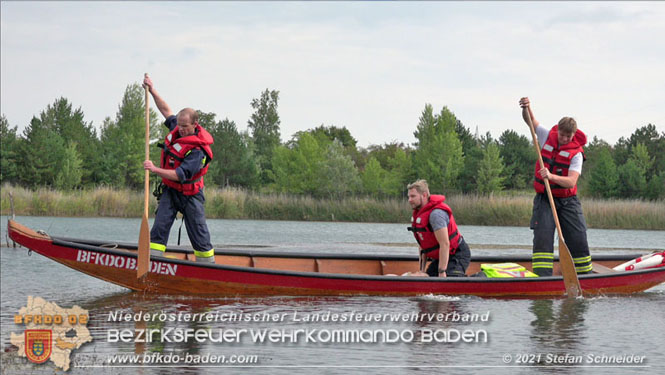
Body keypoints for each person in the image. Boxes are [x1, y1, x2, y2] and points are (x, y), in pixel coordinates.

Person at [142, 75, 215, 263]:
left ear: (194, 124)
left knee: (199, 235)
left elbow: (178, 175)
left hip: (191, 195)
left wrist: (154, 169)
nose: (180, 129)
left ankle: (207, 267)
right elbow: (165, 109)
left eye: (184, 126)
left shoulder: (198, 151)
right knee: (159, 228)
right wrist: (152, 89)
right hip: (171, 192)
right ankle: (152, 264)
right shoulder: (177, 126)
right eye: (179, 125)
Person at [519, 97, 592, 276]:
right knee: (543, 238)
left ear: (574, 135)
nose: (564, 139)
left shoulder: (576, 154)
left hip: (568, 201)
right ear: (557, 130)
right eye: (562, 134)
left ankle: (584, 276)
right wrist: (526, 108)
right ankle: (542, 278)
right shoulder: (546, 135)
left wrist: (550, 176)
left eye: (568, 136)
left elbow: (571, 181)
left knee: (578, 238)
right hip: (545, 198)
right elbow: (530, 121)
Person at [406, 180, 470, 277]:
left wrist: (441, 271)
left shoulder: (436, 215)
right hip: (441, 256)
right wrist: (422, 270)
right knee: (426, 278)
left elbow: (445, 243)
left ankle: (481, 278)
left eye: (413, 196)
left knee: (449, 283)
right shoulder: (419, 216)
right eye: (409, 197)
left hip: (457, 254)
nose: (409, 200)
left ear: (424, 195)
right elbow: (423, 246)